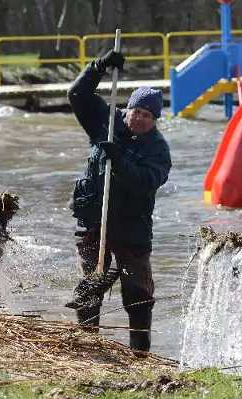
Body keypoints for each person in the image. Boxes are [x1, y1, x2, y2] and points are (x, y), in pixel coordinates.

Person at [64, 48, 172, 353]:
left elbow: (146, 181)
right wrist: (97, 67)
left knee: (138, 296)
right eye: (136, 111)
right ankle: (89, 347)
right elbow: (76, 94)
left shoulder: (158, 150)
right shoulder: (105, 122)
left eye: (147, 115)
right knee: (90, 289)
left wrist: (121, 159)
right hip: (93, 223)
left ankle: (140, 353)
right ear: (129, 108)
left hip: (131, 229)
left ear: (155, 120)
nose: (138, 118)